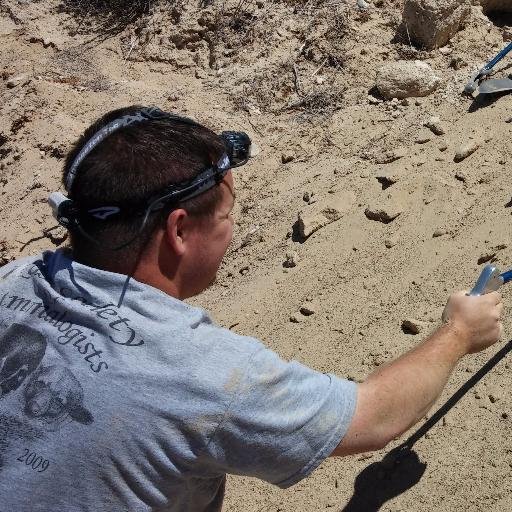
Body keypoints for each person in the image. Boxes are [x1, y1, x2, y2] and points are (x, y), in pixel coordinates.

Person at [0, 105, 503, 512]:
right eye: (227, 215)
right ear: (178, 231)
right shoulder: (195, 372)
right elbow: (370, 419)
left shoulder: (11, 279)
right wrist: (458, 333)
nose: (232, 231)